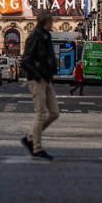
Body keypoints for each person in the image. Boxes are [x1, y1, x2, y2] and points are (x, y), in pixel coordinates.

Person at [20, 12, 59, 160]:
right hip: (38, 80)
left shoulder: (45, 35)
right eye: (51, 21)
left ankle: (30, 137)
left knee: (54, 113)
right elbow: (25, 61)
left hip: (46, 78)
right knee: (41, 113)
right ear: (46, 22)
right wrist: (37, 76)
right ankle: (36, 148)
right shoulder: (35, 36)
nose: (53, 24)